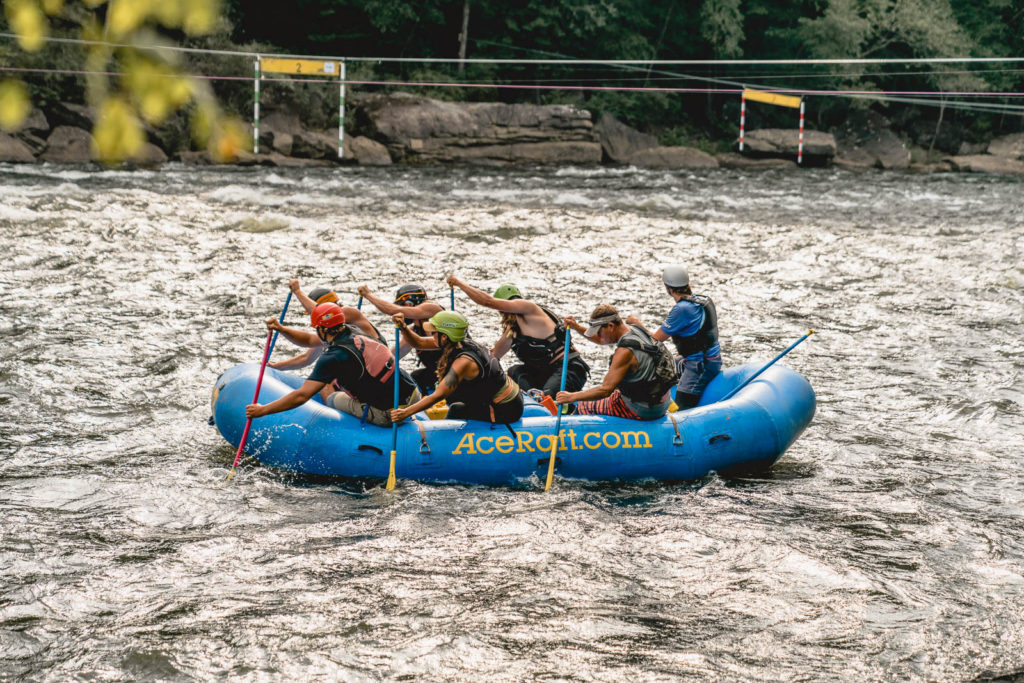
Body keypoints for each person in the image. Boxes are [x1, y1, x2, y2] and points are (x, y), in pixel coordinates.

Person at [246, 303, 420, 427]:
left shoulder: (332, 358)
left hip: (389, 414)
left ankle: (342, 422)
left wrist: (262, 410)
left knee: (331, 392)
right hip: (414, 396)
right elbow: (307, 340)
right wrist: (282, 329)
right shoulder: (356, 331)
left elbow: (301, 396)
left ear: (322, 329)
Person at [445, 275, 589, 399]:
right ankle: (533, 401)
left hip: (568, 370)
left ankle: (547, 403)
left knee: (547, 396)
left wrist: (458, 283)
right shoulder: (512, 330)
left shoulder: (528, 308)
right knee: (515, 371)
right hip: (545, 374)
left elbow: (487, 302)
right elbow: (493, 356)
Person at [389, 311, 524, 425]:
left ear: (444, 336)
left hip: (506, 408)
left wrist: (405, 412)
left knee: (455, 408)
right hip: (508, 396)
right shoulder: (457, 342)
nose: (431, 335)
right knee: (454, 397)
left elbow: (438, 395)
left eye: (434, 332)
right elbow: (417, 342)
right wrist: (403, 327)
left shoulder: (464, 362)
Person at [628, 265, 722, 409]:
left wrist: (637, 324)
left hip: (699, 366)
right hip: (709, 359)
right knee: (667, 365)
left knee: (681, 407)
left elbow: (655, 340)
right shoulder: (702, 300)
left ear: (669, 288)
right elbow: (699, 335)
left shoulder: (682, 309)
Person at [557, 304, 672, 420]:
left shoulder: (624, 352)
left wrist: (571, 396)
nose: (599, 336)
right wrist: (576, 327)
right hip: (662, 402)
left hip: (643, 409)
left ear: (611, 326)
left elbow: (605, 390)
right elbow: (601, 339)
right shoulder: (636, 329)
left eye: (599, 332)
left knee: (583, 405)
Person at [269, 280, 387, 371]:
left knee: (330, 375)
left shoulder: (350, 313)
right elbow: (306, 358)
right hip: (364, 369)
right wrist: (273, 367)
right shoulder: (329, 332)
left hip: (376, 367)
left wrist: (297, 291)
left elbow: (322, 313)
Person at [357, 283, 445, 393]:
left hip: (455, 371)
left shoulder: (433, 310)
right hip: (438, 374)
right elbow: (392, 356)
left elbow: (391, 310)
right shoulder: (414, 331)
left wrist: (368, 295)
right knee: (414, 377)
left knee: (417, 377)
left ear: (409, 304)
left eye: (401, 306)